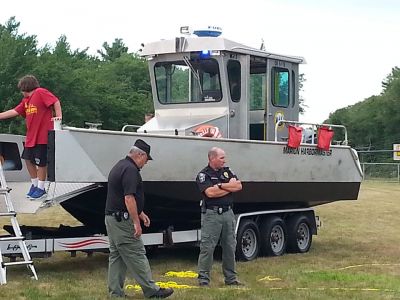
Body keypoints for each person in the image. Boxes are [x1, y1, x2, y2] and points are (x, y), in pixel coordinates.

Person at [105, 139, 174, 299]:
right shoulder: (131, 170)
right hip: (122, 221)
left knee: (117, 256)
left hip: (112, 219)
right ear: (139, 154)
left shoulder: (120, 165)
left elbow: (120, 196)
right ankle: (152, 291)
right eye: (146, 159)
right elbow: (128, 197)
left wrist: (140, 213)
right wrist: (136, 223)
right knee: (137, 253)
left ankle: (115, 293)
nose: (146, 163)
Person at [0, 75, 62, 199]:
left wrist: (58, 116)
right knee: (28, 160)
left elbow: (55, 101)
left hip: (42, 136)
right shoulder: (26, 101)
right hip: (31, 137)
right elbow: (14, 111)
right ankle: (34, 184)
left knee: (41, 162)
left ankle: (41, 187)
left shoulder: (40, 92)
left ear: (24, 87)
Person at [196, 147, 243, 287]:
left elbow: (239, 186)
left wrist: (221, 186)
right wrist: (228, 187)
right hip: (212, 215)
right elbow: (210, 193)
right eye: (222, 158)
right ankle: (203, 279)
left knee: (230, 246)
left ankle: (231, 278)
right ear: (212, 158)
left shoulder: (227, 171)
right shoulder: (204, 175)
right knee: (207, 247)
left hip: (228, 214)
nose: (225, 160)